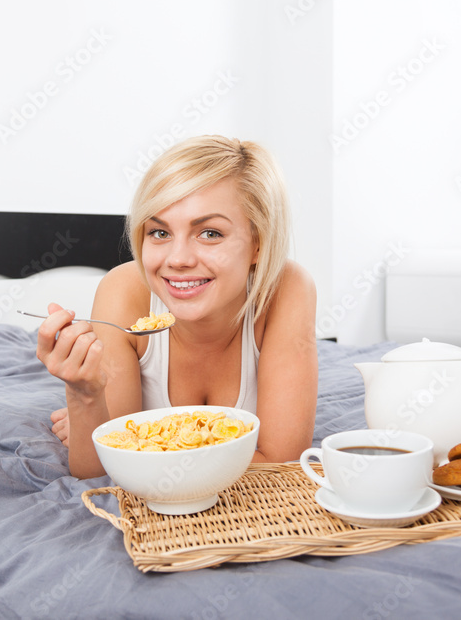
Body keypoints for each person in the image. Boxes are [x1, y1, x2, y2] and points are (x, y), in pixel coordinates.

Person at [35, 135, 318, 479]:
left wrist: (139, 453)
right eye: (159, 232)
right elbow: (96, 474)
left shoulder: (287, 288)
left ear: (258, 242)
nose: (179, 259)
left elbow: (281, 465)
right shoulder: (124, 291)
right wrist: (84, 398)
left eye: (210, 233)